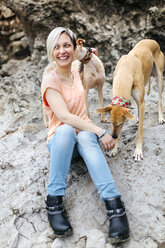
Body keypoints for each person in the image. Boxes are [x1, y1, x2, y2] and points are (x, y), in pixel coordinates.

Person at [41, 27, 130, 244]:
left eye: (66, 46)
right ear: (50, 51)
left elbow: (91, 58)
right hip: (61, 142)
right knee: (65, 130)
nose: (62, 51)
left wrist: (87, 52)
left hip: (83, 137)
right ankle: (54, 203)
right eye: (57, 47)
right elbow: (64, 116)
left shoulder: (75, 69)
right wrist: (101, 132)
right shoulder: (50, 80)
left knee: (84, 136)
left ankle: (116, 210)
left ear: (74, 48)